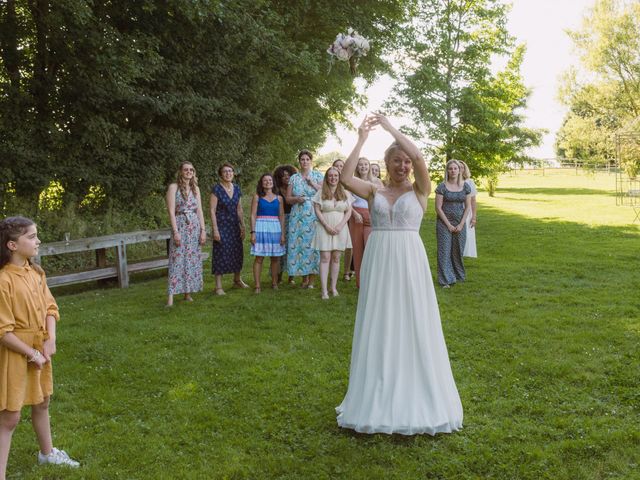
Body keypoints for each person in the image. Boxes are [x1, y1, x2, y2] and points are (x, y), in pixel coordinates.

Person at [336, 113, 463, 435]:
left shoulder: (422, 189)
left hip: (409, 261)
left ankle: (414, 386)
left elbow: (420, 157)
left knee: (412, 319)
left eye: (405, 161)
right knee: (380, 320)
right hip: (379, 262)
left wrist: (391, 129)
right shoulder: (373, 190)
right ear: (386, 162)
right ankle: (377, 388)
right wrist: (362, 138)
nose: (403, 166)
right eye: (396, 161)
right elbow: (345, 178)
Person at [0, 217, 80, 479]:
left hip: (39, 348)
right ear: (12, 244)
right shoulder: (3, 280)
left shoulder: (36, 272)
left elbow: (49, 307)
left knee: (42, 401)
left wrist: (50, 339)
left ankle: (47, 454)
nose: (38, 241)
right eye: (32, 237)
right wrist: (31, 353)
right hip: (15, 352)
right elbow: (3, 331)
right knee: (10, 417)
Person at [165, 161, 207, 307]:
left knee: (191, 259)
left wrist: (203, 230)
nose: (189, 172)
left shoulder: (196, 189)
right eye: (186, 169)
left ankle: (187, 293)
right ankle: (170, 296)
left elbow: (200, 210)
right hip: (180, 224)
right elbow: (171, 211)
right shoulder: (173, 187)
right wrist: (175, 232)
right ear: (180, 171)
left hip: (194, 226)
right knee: (176, 259)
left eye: (191, 170)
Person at [312, 167, 352, 299]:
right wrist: (326, 225)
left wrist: (341, 225)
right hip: (324, 227)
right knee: (325, 258)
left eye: (336, 175)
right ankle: (324, 291)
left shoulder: (345, 193)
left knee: (336, 258)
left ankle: (333, 287)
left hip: (341, 228)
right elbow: (317, 210)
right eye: (330, 176)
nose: (333, 178)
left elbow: (349, 211)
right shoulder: (321, 192)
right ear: (326, 178)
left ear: (339, 177)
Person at [285, 150, 323, 288]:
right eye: (302, 159)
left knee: (312, 245)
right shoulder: (294, 178)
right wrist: (296, 199)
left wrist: (312, 183)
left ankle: (312, 280)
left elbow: (325, 193)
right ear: (299, 161)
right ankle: (304, 278)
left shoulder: (318, 175)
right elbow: (288, 199)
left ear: (311, 161)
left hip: (314, 214)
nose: (305, 161)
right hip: (298, 216)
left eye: (307, 159)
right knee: (300, 245)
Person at [210, 163, 249, 295]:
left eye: (230, 171)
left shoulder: (237, 188)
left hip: (234, 226)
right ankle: (218, 286)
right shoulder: (217, 189)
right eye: (225, 172)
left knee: (237, 251)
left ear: (233, 173)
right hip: (221, 225)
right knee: (220, 253)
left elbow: (239, 208)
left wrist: (243, 225)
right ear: (221, 175)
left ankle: (237, 280)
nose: (228, 173)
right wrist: (215, 230)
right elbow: (212, 210)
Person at [435, 160, 472, 287]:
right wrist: (448, 225)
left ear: (459, 170)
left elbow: (467, 207)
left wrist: (461, 224)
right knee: (444, 250)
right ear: (447, 171)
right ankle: (446, 280)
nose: (453, 171)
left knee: (458, 250)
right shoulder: (442, 187)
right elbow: (438, 208)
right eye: (450, 168)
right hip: (444, 222)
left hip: (460, 222)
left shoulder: (466, 187)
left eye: (455, 168)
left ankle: (458, 275)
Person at [347, 156, 380, 288]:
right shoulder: (352, 182)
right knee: (358, 250)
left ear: (369, 166)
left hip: (371, 216)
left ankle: (374, 281)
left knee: (371, 249)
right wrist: (355, 214)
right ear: (357, 167)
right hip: (356, 216)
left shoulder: (377, 182)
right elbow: (347, 200)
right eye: (360, 165)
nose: (363, 167)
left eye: (366, 164)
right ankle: (361, 284)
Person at [250, 174, 286, 293]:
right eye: (265, 180)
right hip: (260, 227)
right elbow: (253, 215)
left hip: (275, 228)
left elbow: (281, 216)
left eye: (270, 180)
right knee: (259, 258)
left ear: (273, 182)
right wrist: (253, 232)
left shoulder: (279, 198)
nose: (268, 182)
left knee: (275, 258)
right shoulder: (257, 197)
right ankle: (257, 286)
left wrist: (282, 234)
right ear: (261, 183)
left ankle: (275, 283)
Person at [273, 164, 298, 285]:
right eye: (283, 176)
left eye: (288, 175)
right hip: (279, 221)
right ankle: (278, 276)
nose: (286, 177)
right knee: (280, 248)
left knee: (292, 248)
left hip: (293, 220)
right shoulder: (276, 190)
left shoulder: (295, 188)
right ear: (279, 178)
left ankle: (291, 277)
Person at [333, 158, 355, 282]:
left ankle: (346, 271)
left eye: (341, 166)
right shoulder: (331, 183)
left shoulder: (349, 184)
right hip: (335, 217)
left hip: (349, 216)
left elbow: (350, 203)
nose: (339, 168)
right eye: (337, 166)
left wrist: (355, 214)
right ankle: (333, 269)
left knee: (348, 246)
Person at [458, 160, 478, 258]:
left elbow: (473, 200)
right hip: (454, 210)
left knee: (467, 233)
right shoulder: (450, 182)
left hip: (467, 210)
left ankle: (465, 253)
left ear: (465, 169)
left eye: (462, 167)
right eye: (458, 167)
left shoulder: (470, 182)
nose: (460, 169)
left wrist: (474, 217)